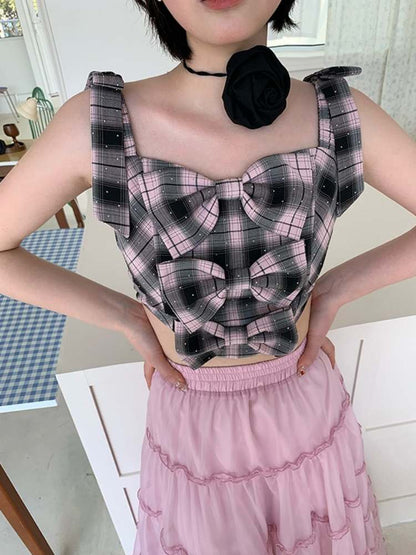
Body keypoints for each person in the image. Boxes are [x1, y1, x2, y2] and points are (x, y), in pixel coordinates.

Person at [1, 0, 415, 553]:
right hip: (189, 422)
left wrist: (336, 288)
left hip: (306, 406)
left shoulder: (340, 113)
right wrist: (124, 316)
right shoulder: (97, 124)